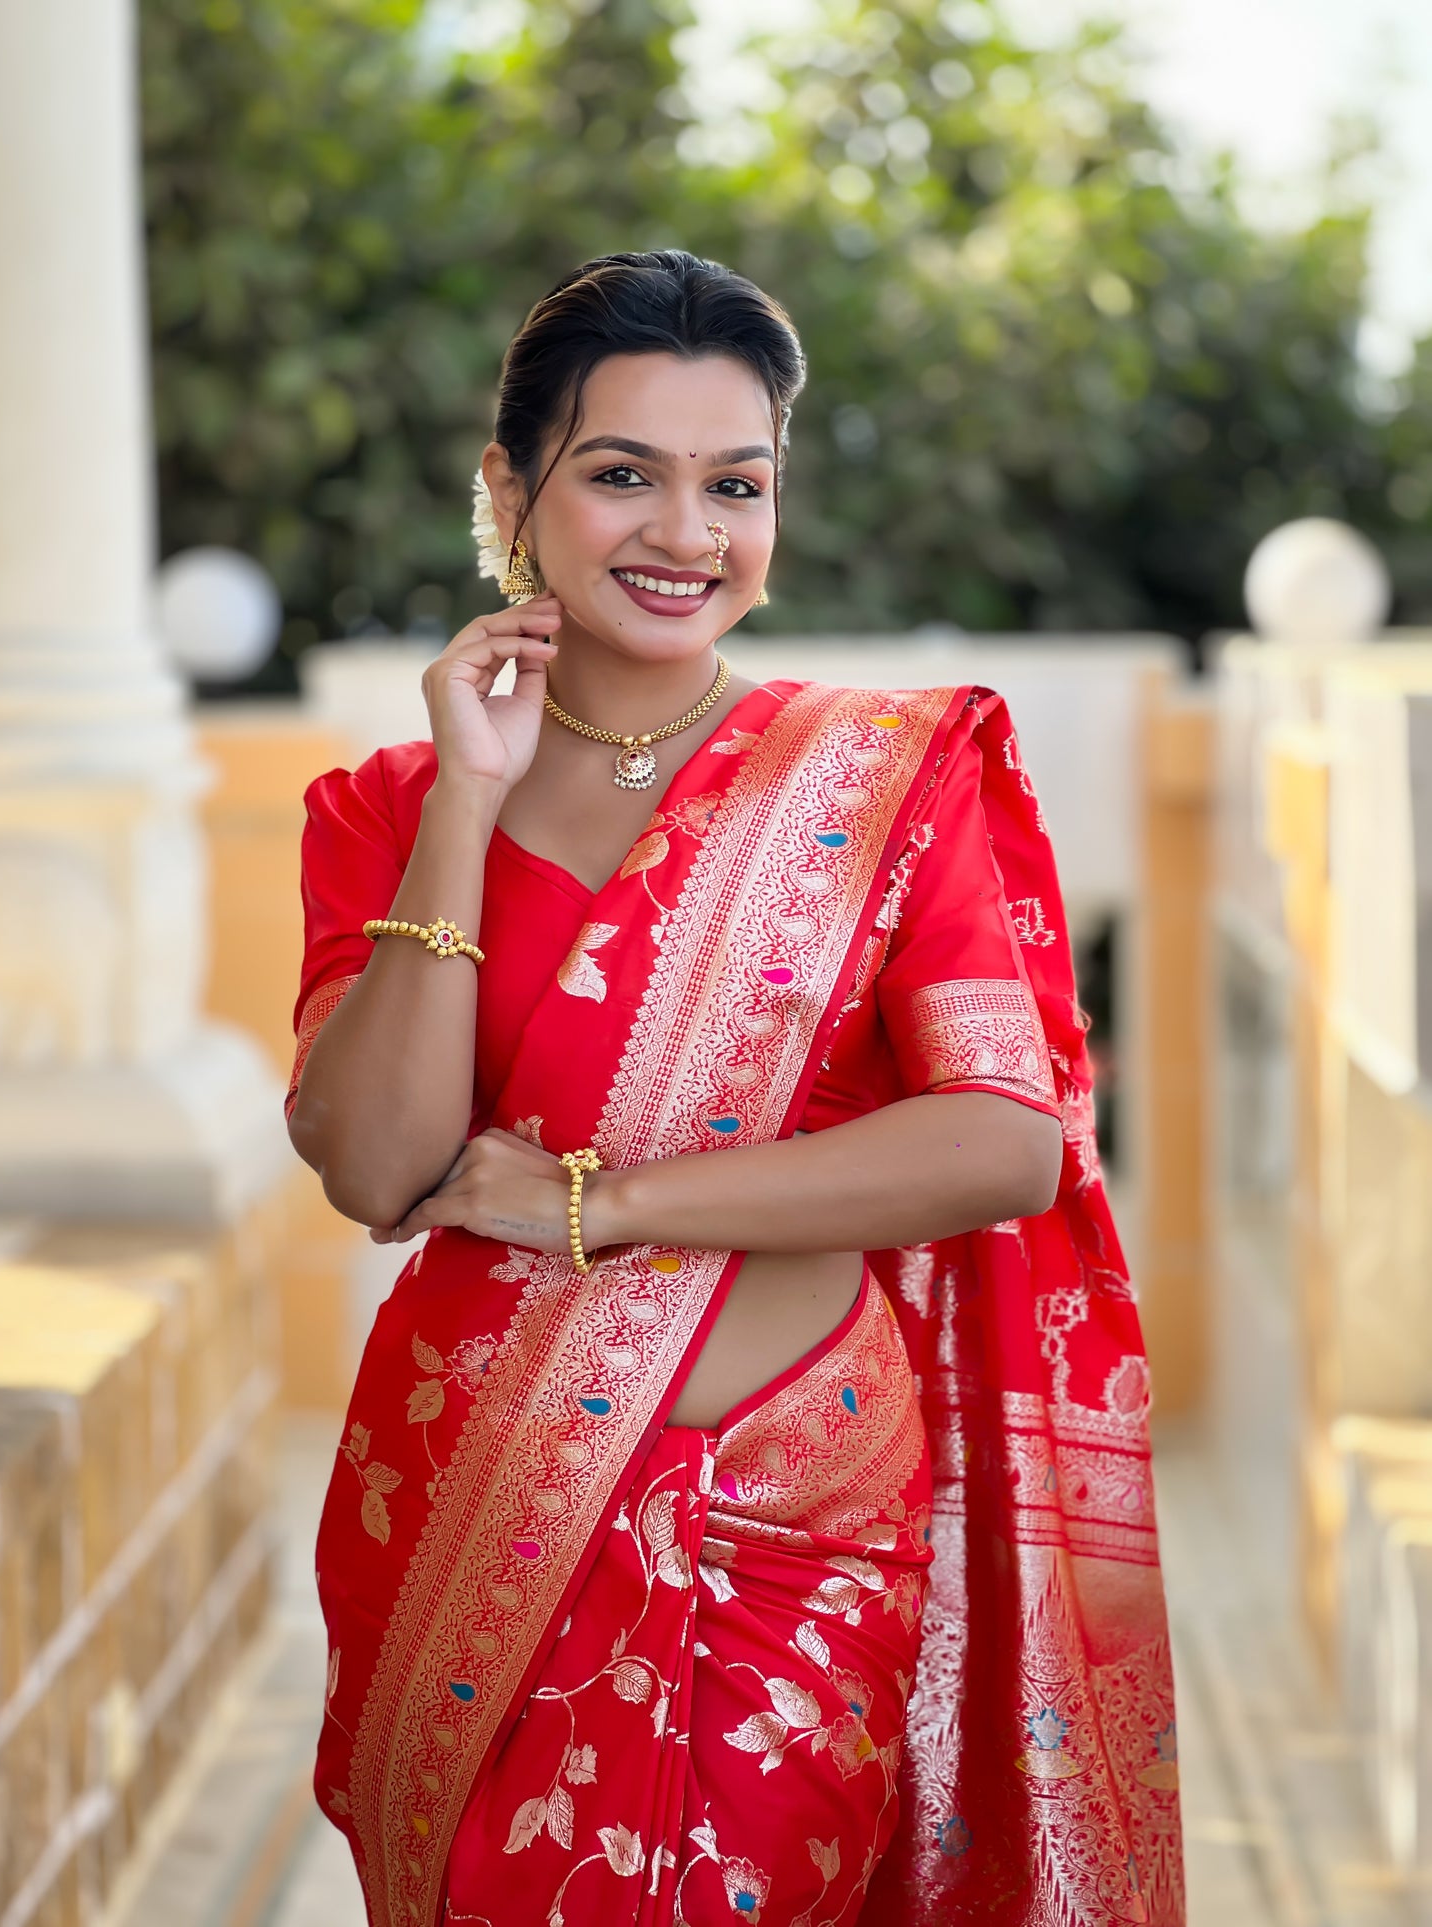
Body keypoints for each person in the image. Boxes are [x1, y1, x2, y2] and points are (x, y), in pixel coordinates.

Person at [287, 249, 1184, 1927]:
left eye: (735, 484)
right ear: (511, 492)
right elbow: (377, 1169)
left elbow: (1002, 1141)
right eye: (622, 473)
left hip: (786, 1523)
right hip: (475, 1504)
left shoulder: (888, 781)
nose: (684, 534)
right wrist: (466, 809)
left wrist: (599, 1205)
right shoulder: (391, 808)